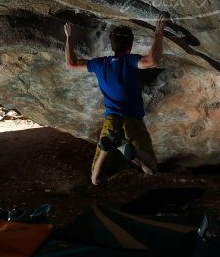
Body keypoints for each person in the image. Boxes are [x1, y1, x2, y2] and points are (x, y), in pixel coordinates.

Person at [64, 13, 168, 185]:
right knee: (151, 168)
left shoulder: (100, 63)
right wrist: (158, 32)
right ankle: (132, 151)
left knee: (96, 180)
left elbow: (71, 63)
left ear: (112, 45)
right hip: (132, 119)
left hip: (111, 119)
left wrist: (69, 38)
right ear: (131, 44)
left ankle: (109, 147)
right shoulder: (130, 61)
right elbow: (152, 61)